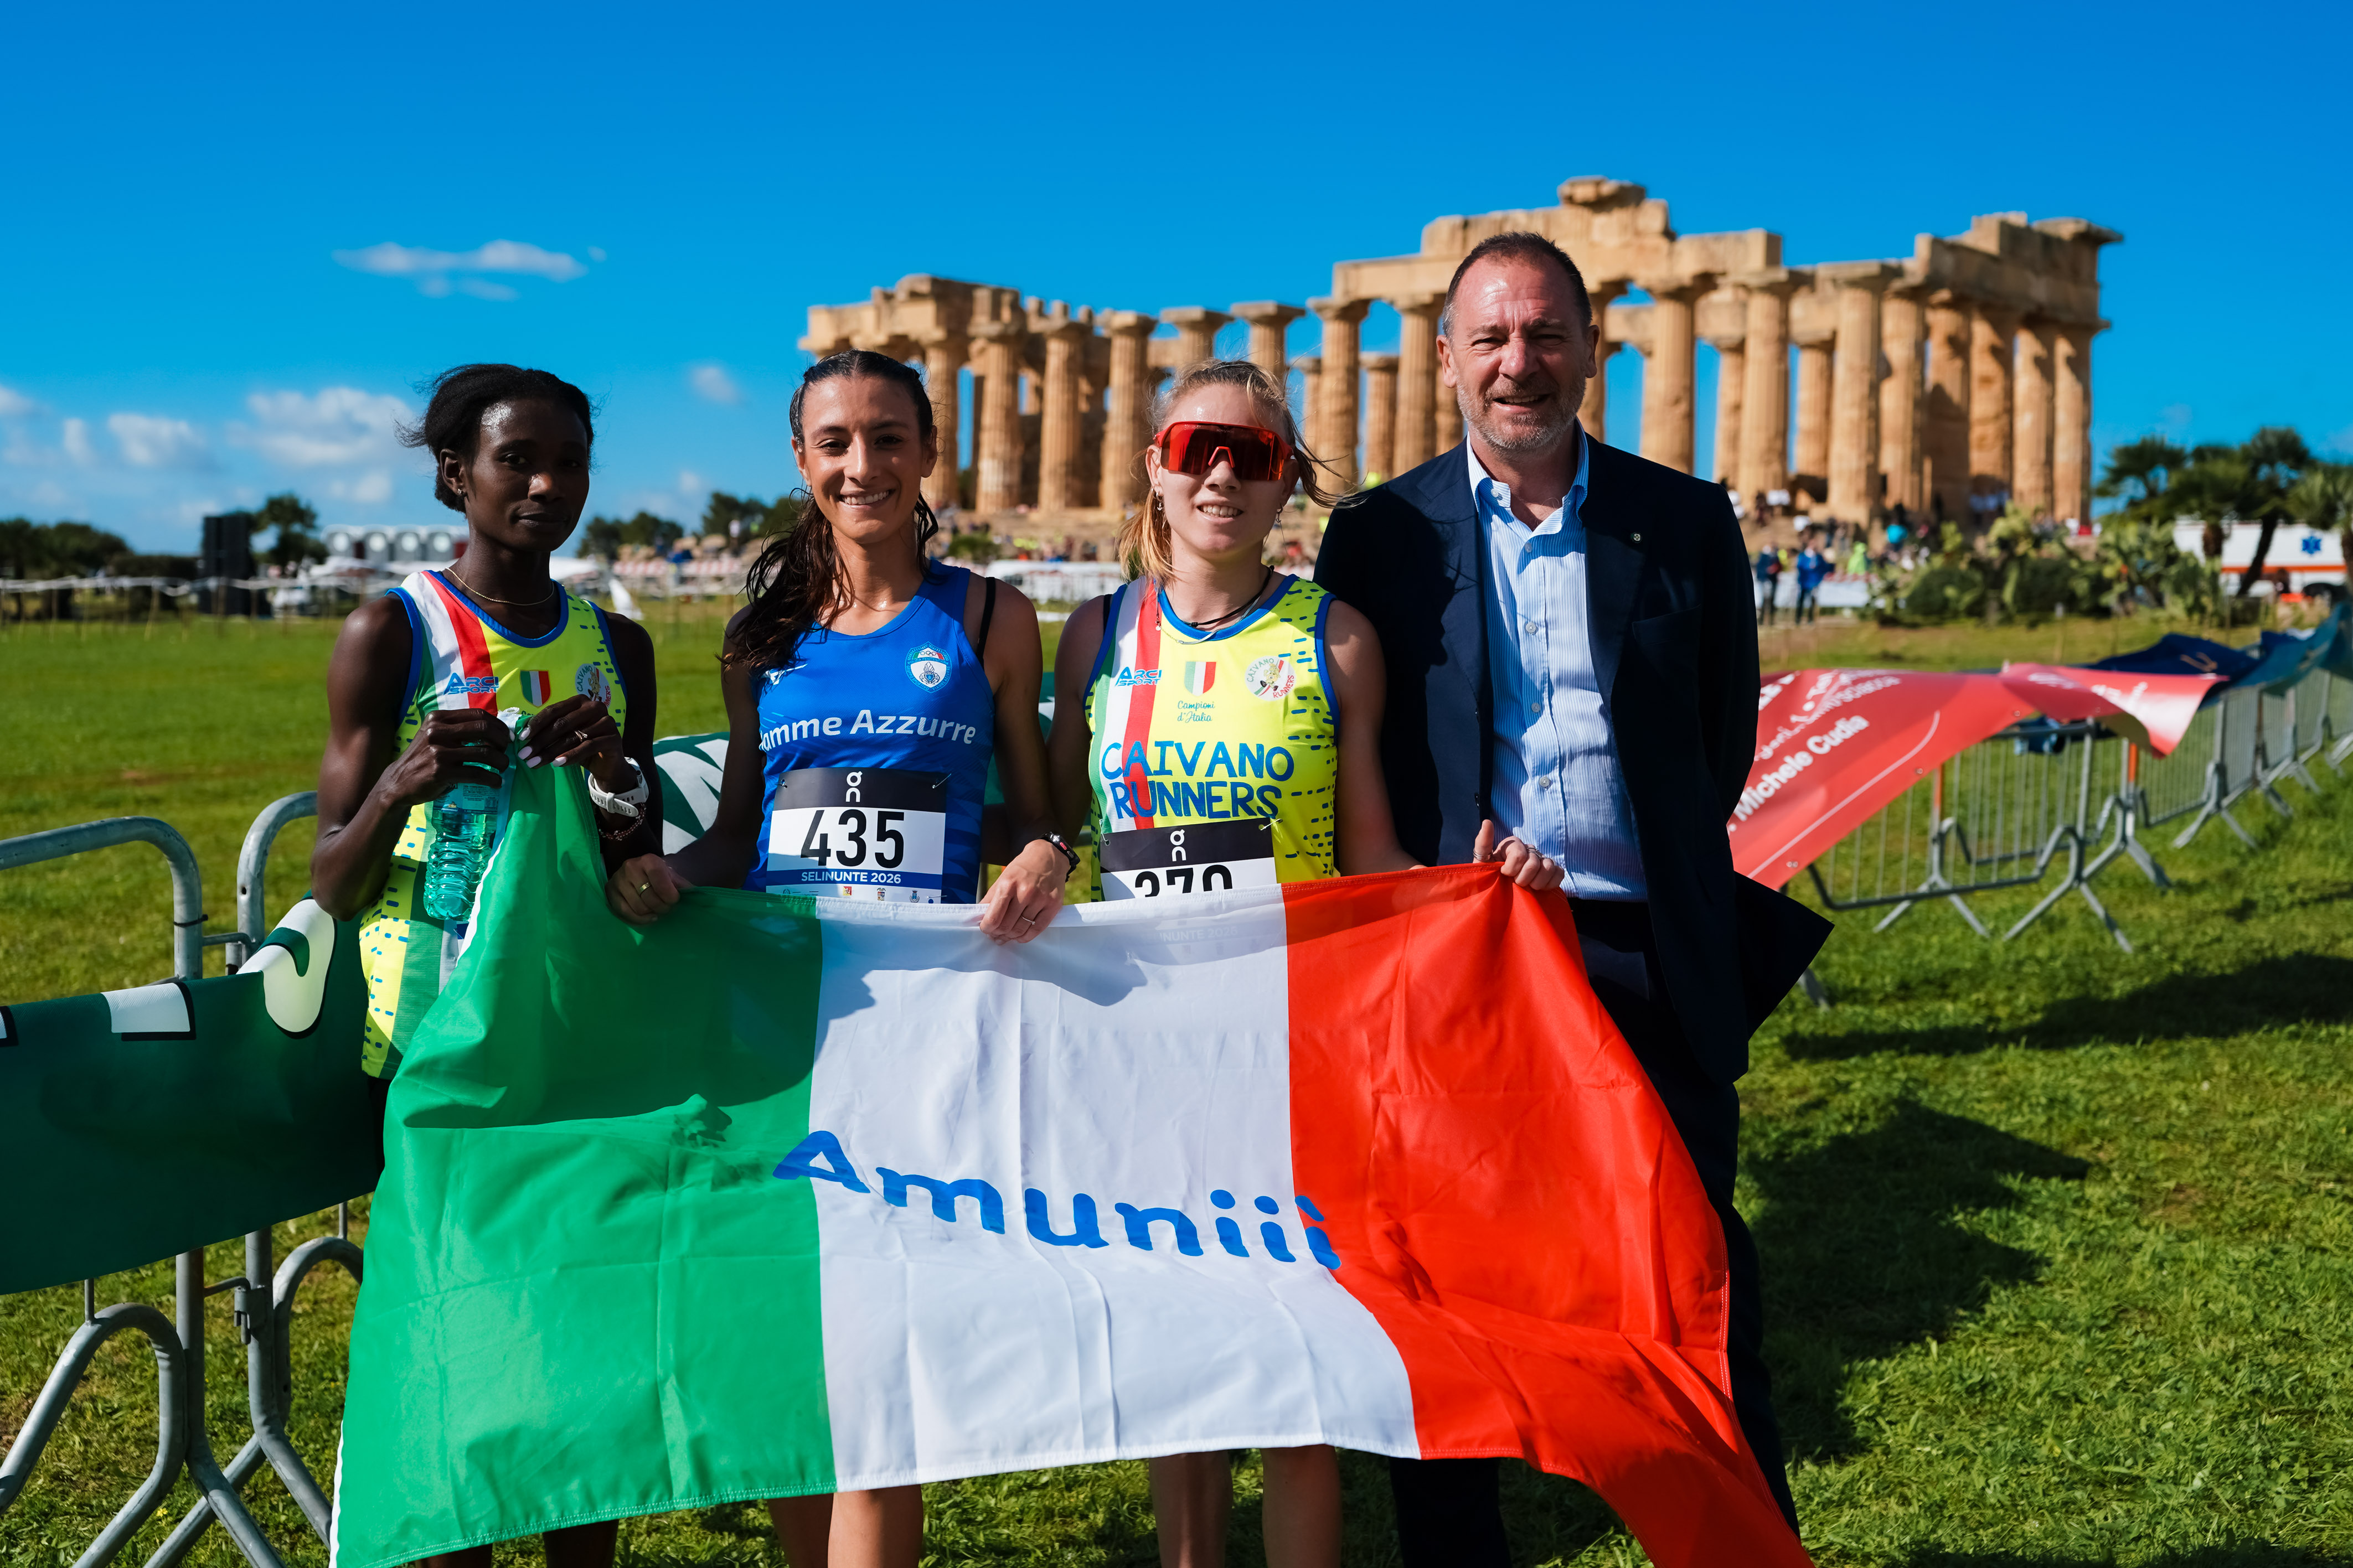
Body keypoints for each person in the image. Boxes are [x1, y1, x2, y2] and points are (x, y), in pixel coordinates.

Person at [1314, 231, 1829, 1564]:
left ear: (1591, 348)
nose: (1518, 362)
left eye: (1544, 333)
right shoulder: (1377, 536)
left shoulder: (1685, 519)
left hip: (1643, 948)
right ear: (1444, 356)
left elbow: (1716, 739)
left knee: (1696, 1283)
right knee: (1451, 1295)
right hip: (1466, 963)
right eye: (1490, 337)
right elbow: (1363, 744)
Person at [1045, 358, 1560, 1568]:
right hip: (1141, 1045)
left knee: (1293, 1364)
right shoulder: (1094, 637)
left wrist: (1478, 895)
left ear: (1288, 485)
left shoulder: (1337, 637)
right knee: (1175, 1360)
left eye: (1255, 456)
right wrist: (1036, 853)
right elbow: (1061, 823)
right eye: (1197, 449)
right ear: (1156, 467)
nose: (1221, 476)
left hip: (1294, 1049)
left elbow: (1371, 853)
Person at [605, 349, 1070, 1568]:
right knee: (791, 1342)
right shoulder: (760, 636)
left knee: (882, 1355)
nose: (863, 465)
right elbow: (738, 836)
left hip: (925, 1029)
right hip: (777, 1029)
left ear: (928, 451)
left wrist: (1045, 855)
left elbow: (1037, 814)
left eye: (888, 437)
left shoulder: (990, 617)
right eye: (836, 442)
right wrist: (663, 876)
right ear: (803, 461)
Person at [312, 364, 661, 1568]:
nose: (547, 485)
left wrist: (614, 771)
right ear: (458, 474)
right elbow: (331, 877)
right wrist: (403, 781)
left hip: (575, 1032)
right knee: (455, 1338)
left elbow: (635, 853)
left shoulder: (617, 643)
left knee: (581, 1328)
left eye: (570, 463)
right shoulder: (391, 631)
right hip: (434, 1041)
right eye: (519, 460)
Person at [1794, 532, 1828, 625]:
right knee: (1801, 600)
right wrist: (1809, 568)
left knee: (1813, 601)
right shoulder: (1803, 556)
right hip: (1805, 582)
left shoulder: (1818, 557)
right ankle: (1798, 619)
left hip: (1814, 582)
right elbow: (1800, 567)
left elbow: (1824, 568)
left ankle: (1811, 619)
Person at [1753, 543, 1781, 627]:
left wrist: (1775, 570)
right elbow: (1760, 569)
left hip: (1772, 581)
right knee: (1764, 601)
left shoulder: (1775, 557)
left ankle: (1771, 620)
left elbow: (1779, 567)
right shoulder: (1763, 557)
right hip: (1765, 581)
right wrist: (1767, 572)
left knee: (1771, 601)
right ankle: (1762, 620)